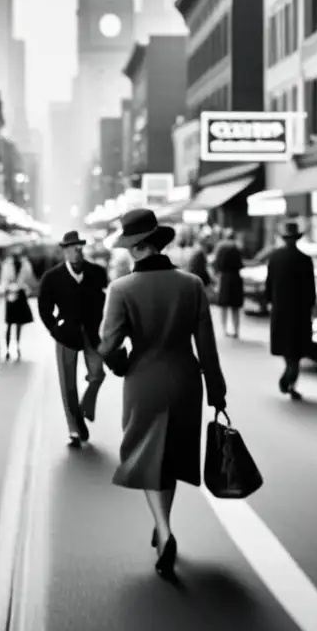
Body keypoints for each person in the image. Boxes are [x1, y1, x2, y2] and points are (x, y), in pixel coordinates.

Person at [98, 209, 227, 579]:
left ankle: (165, 531)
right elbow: (207, 346)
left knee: (147, 456)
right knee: (169, 458)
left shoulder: (121, 289)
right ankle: (162, 527)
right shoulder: (192, 285)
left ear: (138, 248)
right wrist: (216, 390)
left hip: (144, 382)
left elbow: (108, 345)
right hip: (187, 381)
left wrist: (119, 365)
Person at [37, 231, 108, 447]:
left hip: (92, 333)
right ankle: (74, 428)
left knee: (97, 374)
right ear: (64, 251)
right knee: (67, 383)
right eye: (71, 248)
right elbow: (44, 308)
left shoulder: (97, 272)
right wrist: (54, 330)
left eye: (78, 248)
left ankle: (85, 405)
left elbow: (105, 301)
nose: (76, 252)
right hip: (66, 334)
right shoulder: (52, 277)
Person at [266, 221, 316, 401]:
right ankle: (290, 379)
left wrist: (271, 303)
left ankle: (289, 374)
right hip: (299, 313)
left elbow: (269, 286)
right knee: (296, 350)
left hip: (281, 311)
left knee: (287, 350)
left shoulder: (275, 258)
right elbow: (311, 290)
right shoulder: (305, 260)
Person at [0, 244, 38, 360]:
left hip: (20, 293)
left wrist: (29, 288)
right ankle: (8, 347)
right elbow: (3, 279)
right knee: (9, 323)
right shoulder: (7, 265)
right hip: (10, 293)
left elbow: (29, 278)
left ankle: (18, 345)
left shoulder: (25, 264)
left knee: (19, 322)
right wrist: (4, 288)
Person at [212, 229, 245, 338]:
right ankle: (236, 330)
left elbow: (216, 264)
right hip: (236, 278)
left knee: (224, 306)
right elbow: (241, 264)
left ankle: (224, 330)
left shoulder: (220, 247)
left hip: (224, 278)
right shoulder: (237, 247)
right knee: (235, 307)